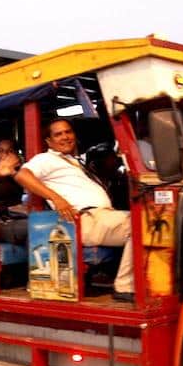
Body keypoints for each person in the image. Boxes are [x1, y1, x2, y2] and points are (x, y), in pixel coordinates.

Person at [14, 118, 134, 301]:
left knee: (151, 222)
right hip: (86, 219)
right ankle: (125, 286)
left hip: (103, 217)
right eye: (58, 134)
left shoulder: (75, 161)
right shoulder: (45, 159)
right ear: (49, 141)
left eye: (68, 132)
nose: (65, 137)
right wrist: (56, 198)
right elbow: (22, 175)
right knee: (141, 224)